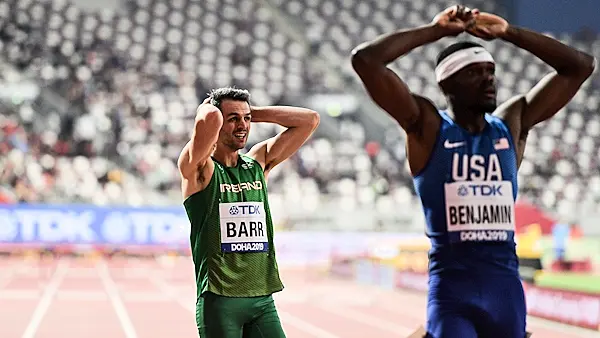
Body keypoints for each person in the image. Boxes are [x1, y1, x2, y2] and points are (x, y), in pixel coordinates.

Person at [351, 4, 595, 338]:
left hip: (506, 292)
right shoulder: (427, 126)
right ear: (447, 83)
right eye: (475, 72)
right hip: (453, 293)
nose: (488, 79)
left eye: (491, 71)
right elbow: (365, 61)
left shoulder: (511, 124)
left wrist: (509, 32)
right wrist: (436, 30)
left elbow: (580, 66)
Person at [177, 87, 320, 337]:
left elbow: (310, 120)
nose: (242, 125)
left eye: (246, 119)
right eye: (233, 119)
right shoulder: (200, 169)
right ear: (219, 123)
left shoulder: (257, 164)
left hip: (262, 299)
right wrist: (208, 107)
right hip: (221, 301)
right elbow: (208, 118)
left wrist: (252, 113)